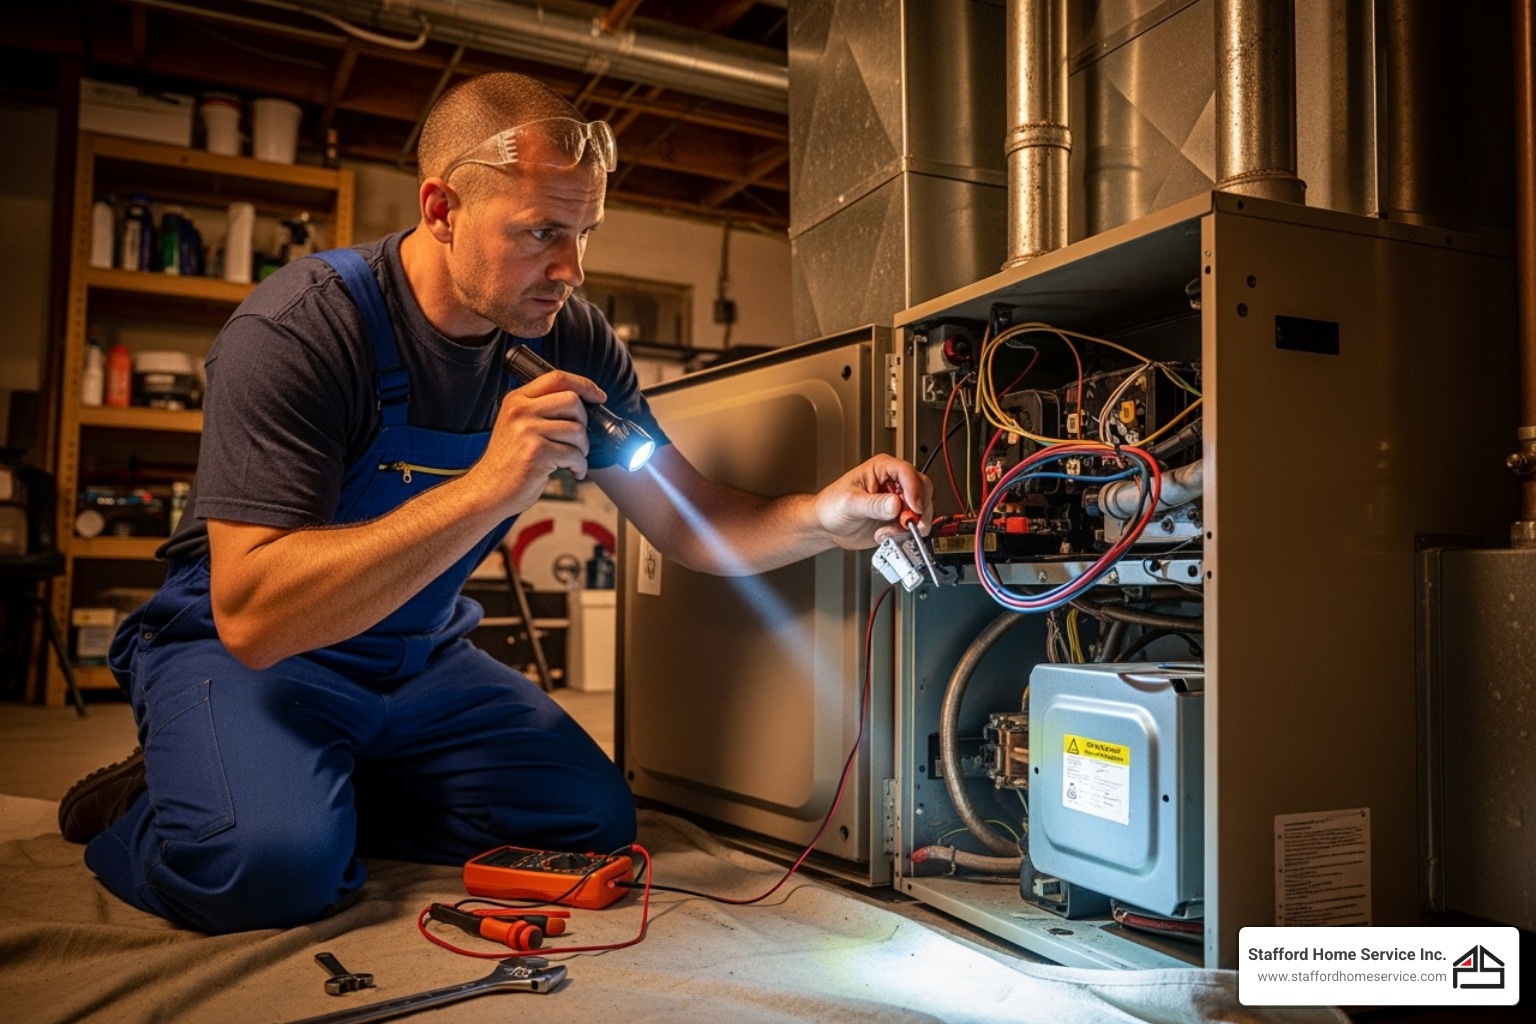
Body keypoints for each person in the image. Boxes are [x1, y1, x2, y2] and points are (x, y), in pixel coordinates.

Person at [59, 72, 933, 935]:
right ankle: (163, 801)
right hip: (254, 658)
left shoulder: (574, 338)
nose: (571, 270)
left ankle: (297, 786)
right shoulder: (300, 331)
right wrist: (485, 488)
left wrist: (824, 514)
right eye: (541, 232)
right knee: (268, 869)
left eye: (585, 231)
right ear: (441, 211)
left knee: (590, 823)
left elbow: (692, 524)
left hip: (417, 660)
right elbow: (252, 615)